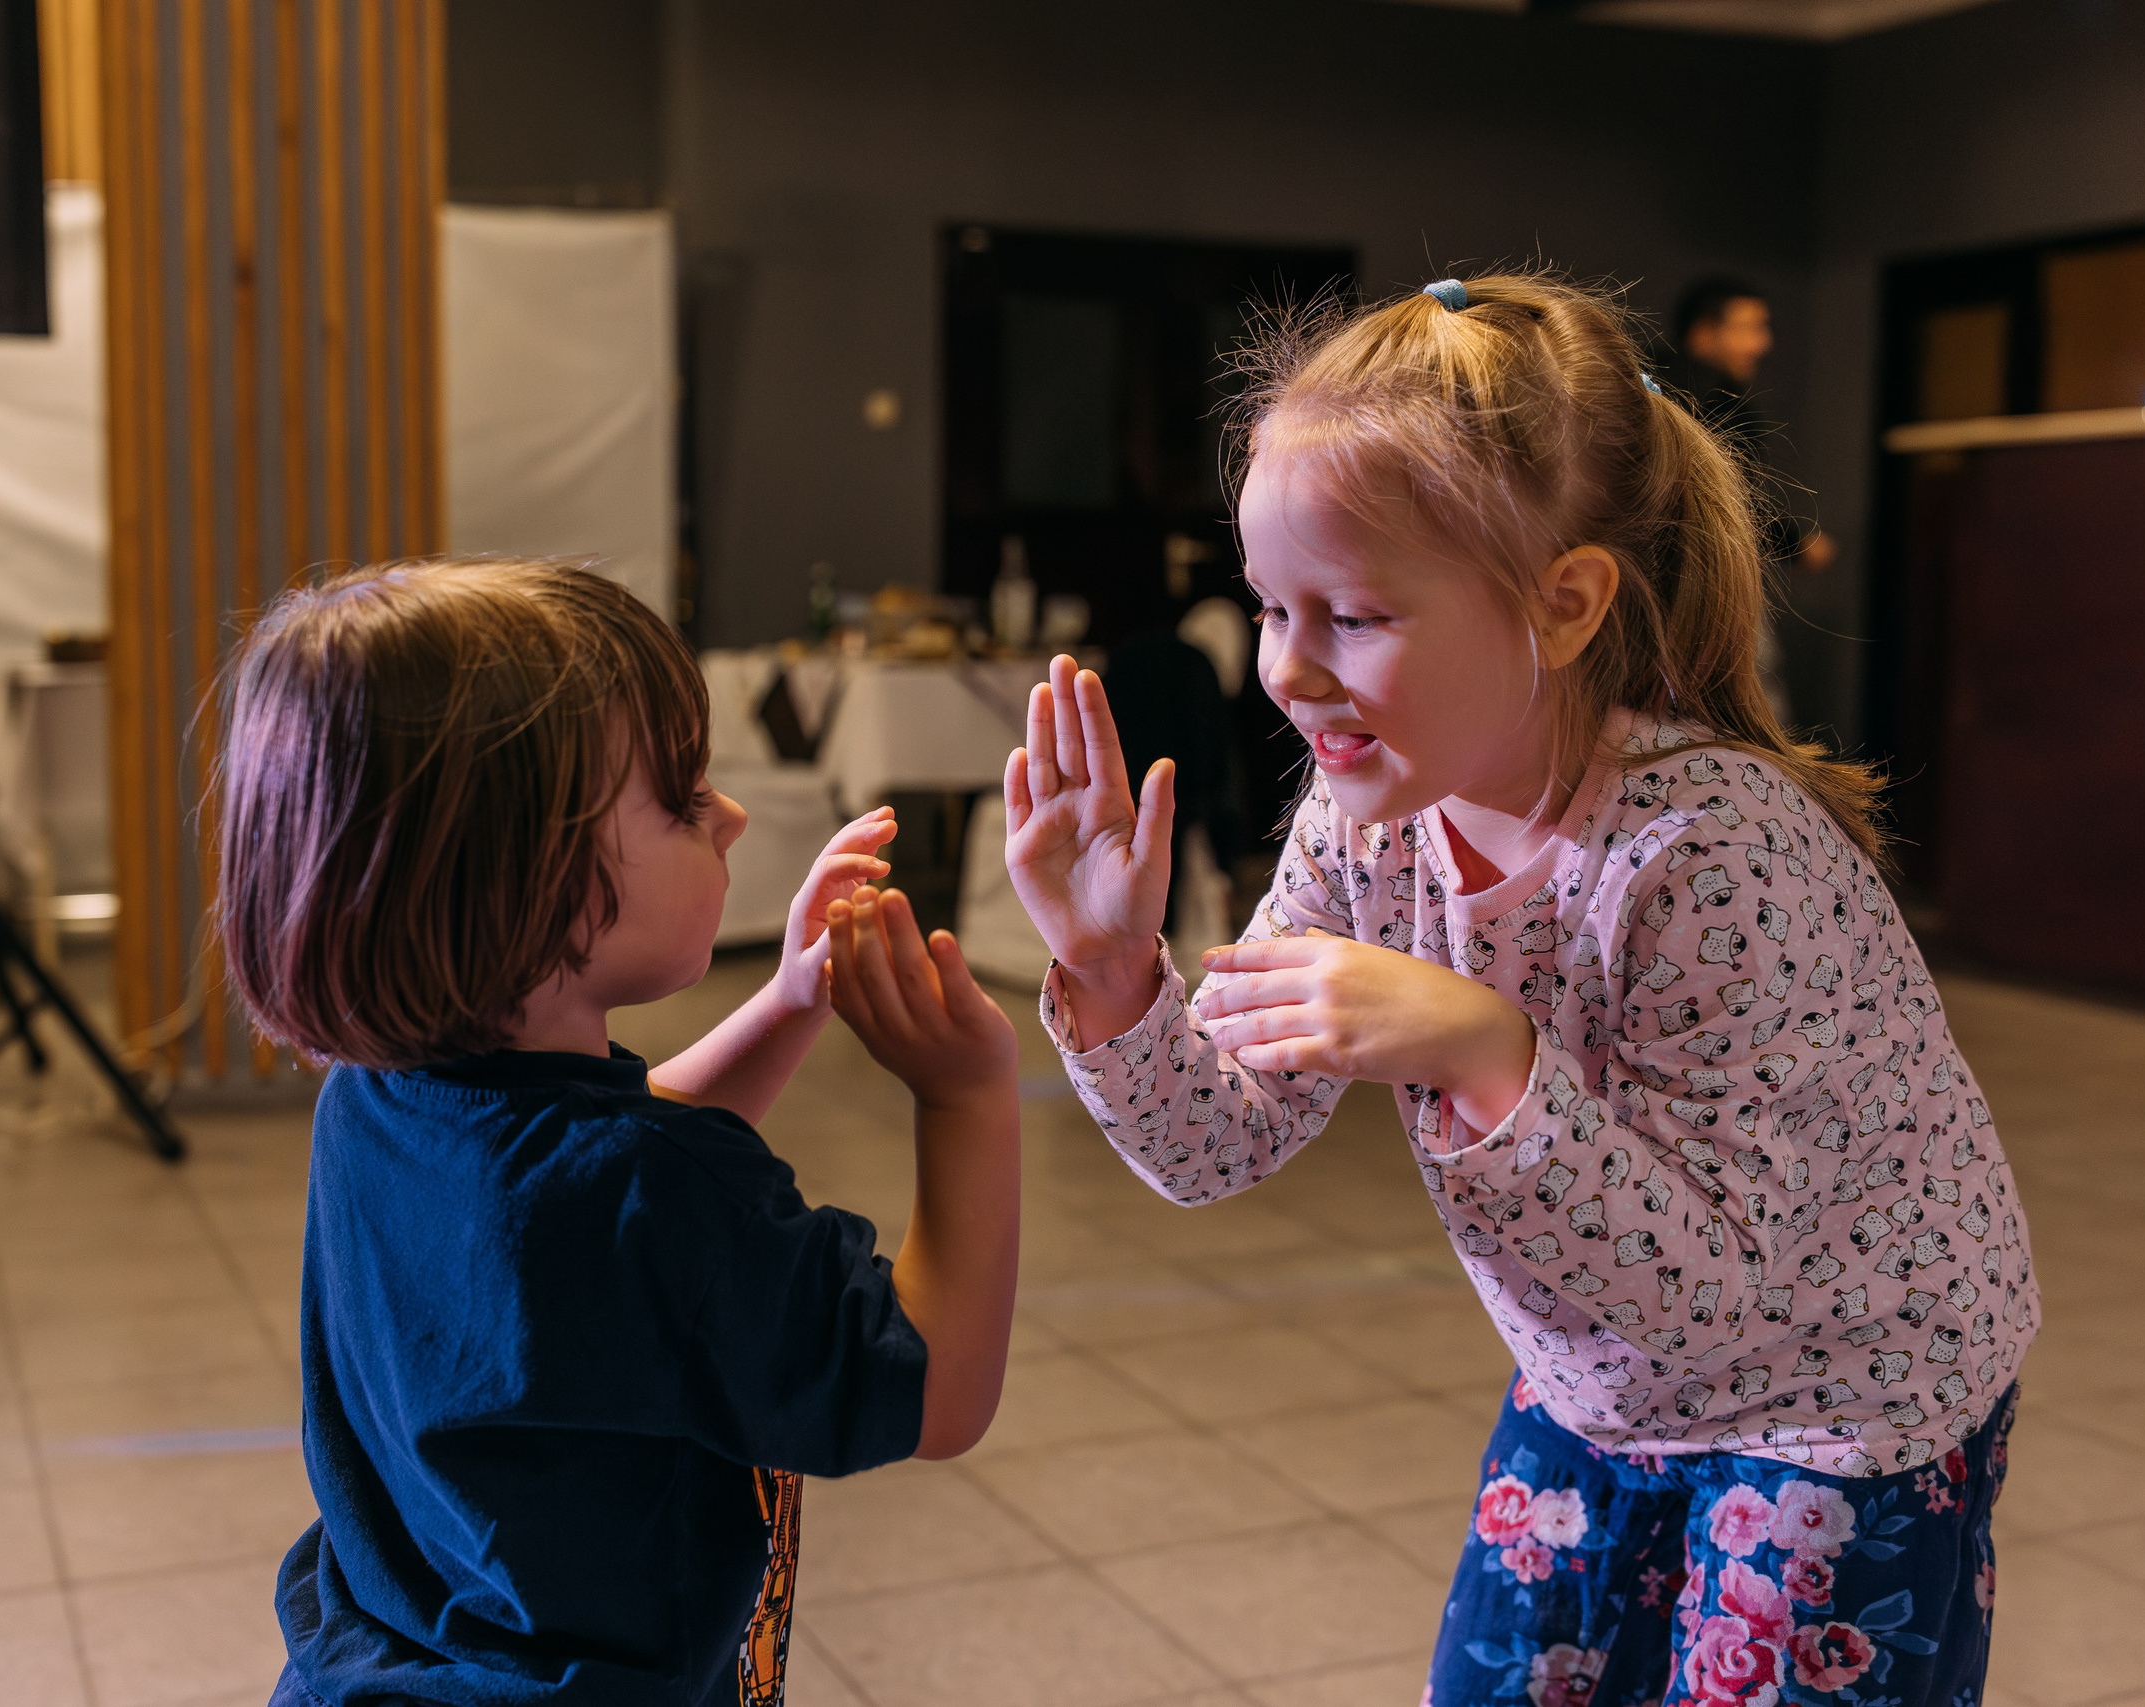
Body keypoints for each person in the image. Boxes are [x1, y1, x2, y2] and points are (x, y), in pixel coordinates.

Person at [1004, 275, 2036, 1703]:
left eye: (1353, 614)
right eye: (1270, 606)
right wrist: (1118, 974)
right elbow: (1218, 1140)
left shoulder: (1710, 857)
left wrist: (1489, 1052)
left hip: (1842, 1395)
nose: (1290, 670)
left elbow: (1712, 1293)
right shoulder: (1363, 817)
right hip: (1607, 1370)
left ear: (1563, 604)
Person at [217, 558, 1022, 1706]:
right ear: (526, 875)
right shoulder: (655, 1194)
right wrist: (966, 1101)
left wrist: (789, 999)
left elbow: (603, 1181)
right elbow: (938, 1394)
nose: (733, 814)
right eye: (685, 798)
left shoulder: (377, 1097)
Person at [1661, 276, 1831, 726]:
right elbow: (1728, 507)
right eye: (1748, 328)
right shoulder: (1712, 397)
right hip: (1707, 581)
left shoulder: (1646, 390)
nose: (1762, 343)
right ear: (1703, 333)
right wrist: (1795, 543)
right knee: (1750, 701)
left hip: (1647, 589)